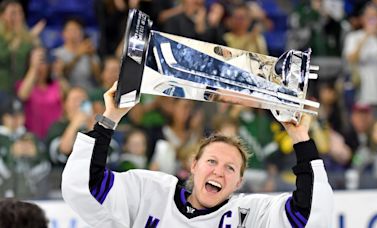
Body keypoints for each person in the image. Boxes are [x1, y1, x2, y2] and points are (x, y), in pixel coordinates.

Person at [62, 82, 333, 227]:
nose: (218, 171)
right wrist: (110, 118)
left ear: (239, 182)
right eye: (212, 161)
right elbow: (85, 187)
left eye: (230, 168)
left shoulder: (248, 216)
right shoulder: (150, 193)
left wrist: (300, 139)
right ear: (194, 165)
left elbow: (310, 217)